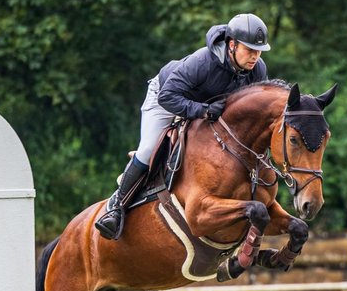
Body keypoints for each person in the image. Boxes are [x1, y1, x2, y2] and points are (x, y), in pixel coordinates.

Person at [94, 12, 272, 240]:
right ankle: (116, 207)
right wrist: (202, 110)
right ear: (232, 45)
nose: (255, 57)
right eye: (249, 50)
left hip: (205, 108)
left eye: (258, 51)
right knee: (148, 149)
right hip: (166, 98)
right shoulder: (203, 62)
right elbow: (167, 96)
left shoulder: (257, 70)